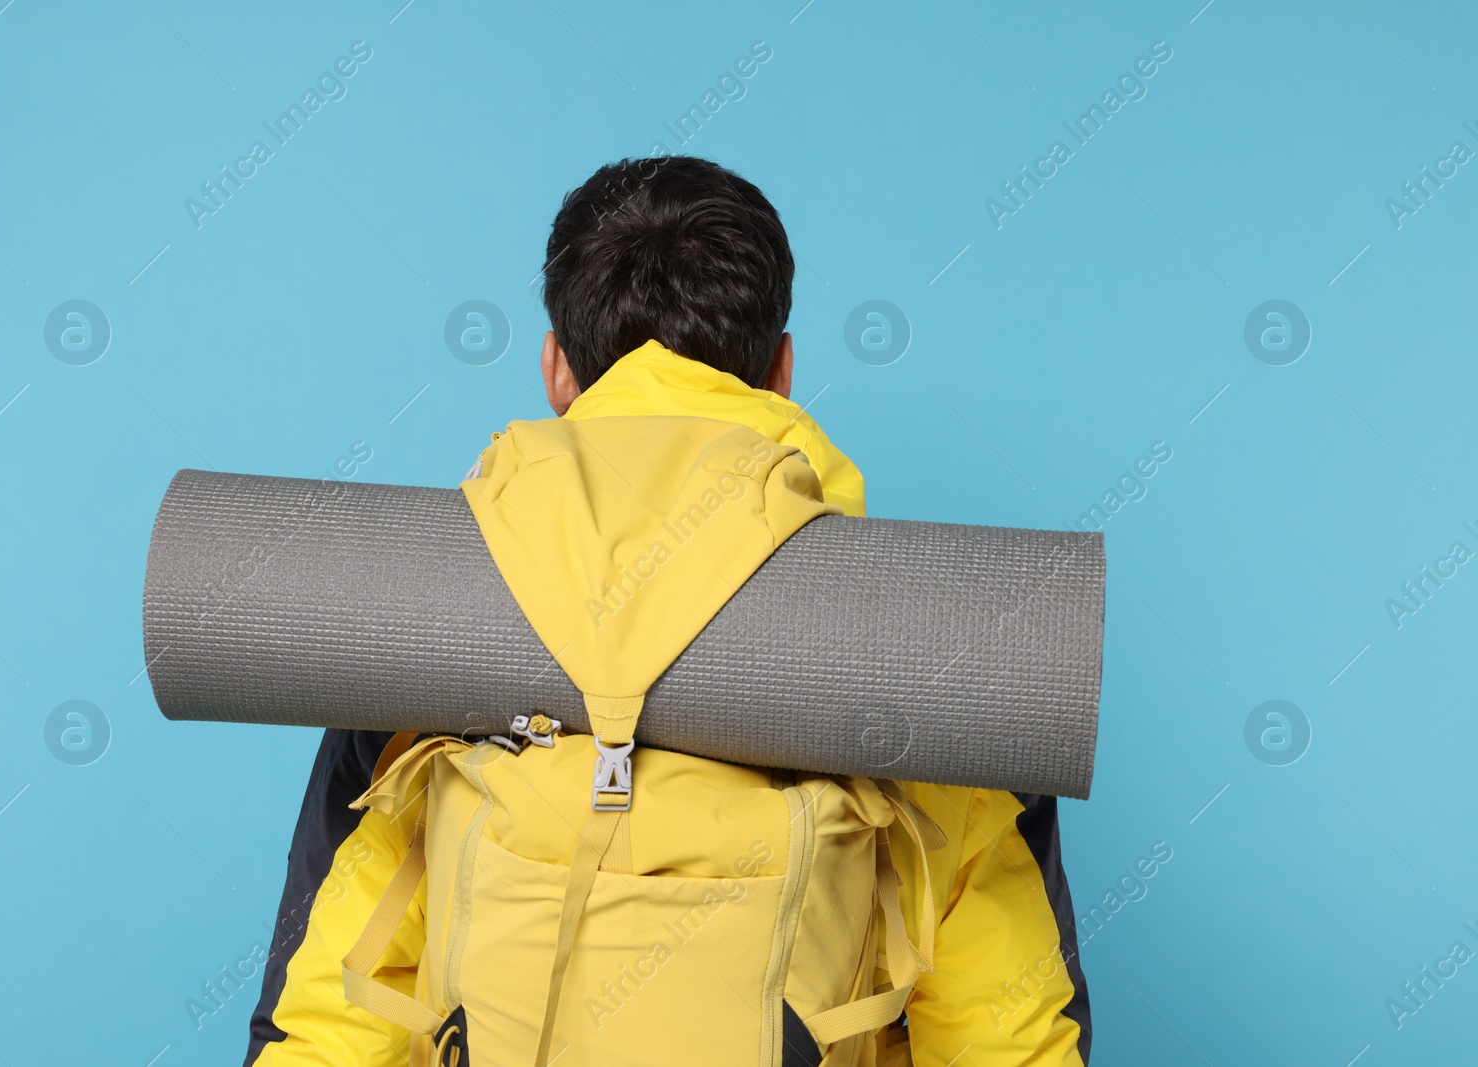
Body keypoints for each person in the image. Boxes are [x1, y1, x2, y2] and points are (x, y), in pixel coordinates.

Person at [243, 156, 1090, 1066]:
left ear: (556, 369)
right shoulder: (923, 656)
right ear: (781, 372)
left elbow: (322, 1027)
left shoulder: (429, 631)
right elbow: (1010, 1036)